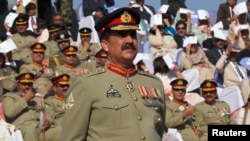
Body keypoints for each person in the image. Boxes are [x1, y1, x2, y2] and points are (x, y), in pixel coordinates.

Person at [61, 7, 165, 141]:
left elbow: (158, 132)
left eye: (133, 35)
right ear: (105, 45)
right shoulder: (87, 85)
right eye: (122, 35)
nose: (129, 40)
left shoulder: (154, 83)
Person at [2, 72, 50, 141]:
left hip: (39, 126)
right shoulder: (10, 96)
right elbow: (9, 113)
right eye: (24, 84)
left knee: (60, 129)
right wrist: (25, 99)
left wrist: (48, 120)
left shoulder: (37, 98)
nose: (27, 87)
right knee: (30, 130)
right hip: (22, 127)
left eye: (29, 84)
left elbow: (47, 112)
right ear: (18, 85)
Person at [41, 74, 70, 141]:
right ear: (54, 88)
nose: (66, 88)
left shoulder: (75, 100)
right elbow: (48, 116)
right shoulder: (50, 101)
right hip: (61, 127)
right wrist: (47, 121)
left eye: (67, 85)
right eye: (62, 86)